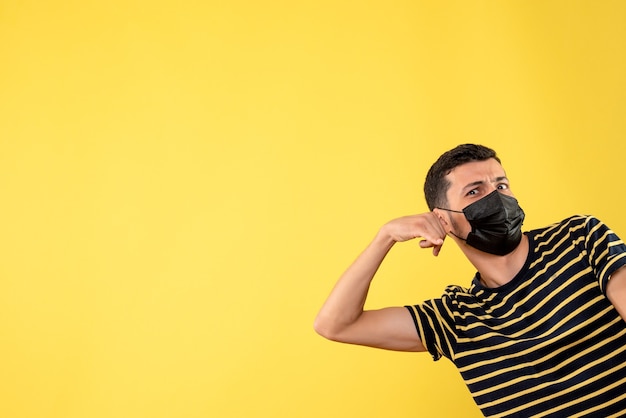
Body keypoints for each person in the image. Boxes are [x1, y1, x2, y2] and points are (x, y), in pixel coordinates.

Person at [314, 144, 626, 417]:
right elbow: (335, 324)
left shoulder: (579, 238)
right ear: (442, 219)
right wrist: (385, 237)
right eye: (474, 191)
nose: (497, 198)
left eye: (501, 185)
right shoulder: (455, 319)